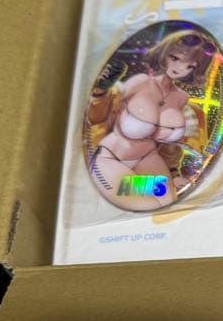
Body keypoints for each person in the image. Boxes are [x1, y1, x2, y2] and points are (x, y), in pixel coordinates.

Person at [85, 29, 212, 211]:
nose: (179, 68)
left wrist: (173, 173)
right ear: (164, 54)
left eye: (190, 66)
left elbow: (170, 146)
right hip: (111, 157)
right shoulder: (141, 82)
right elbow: (102, 114)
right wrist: (100, 92)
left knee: (166, 202)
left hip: (147, 157)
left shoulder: (181, 97)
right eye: (174, 58)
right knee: (147, 203)